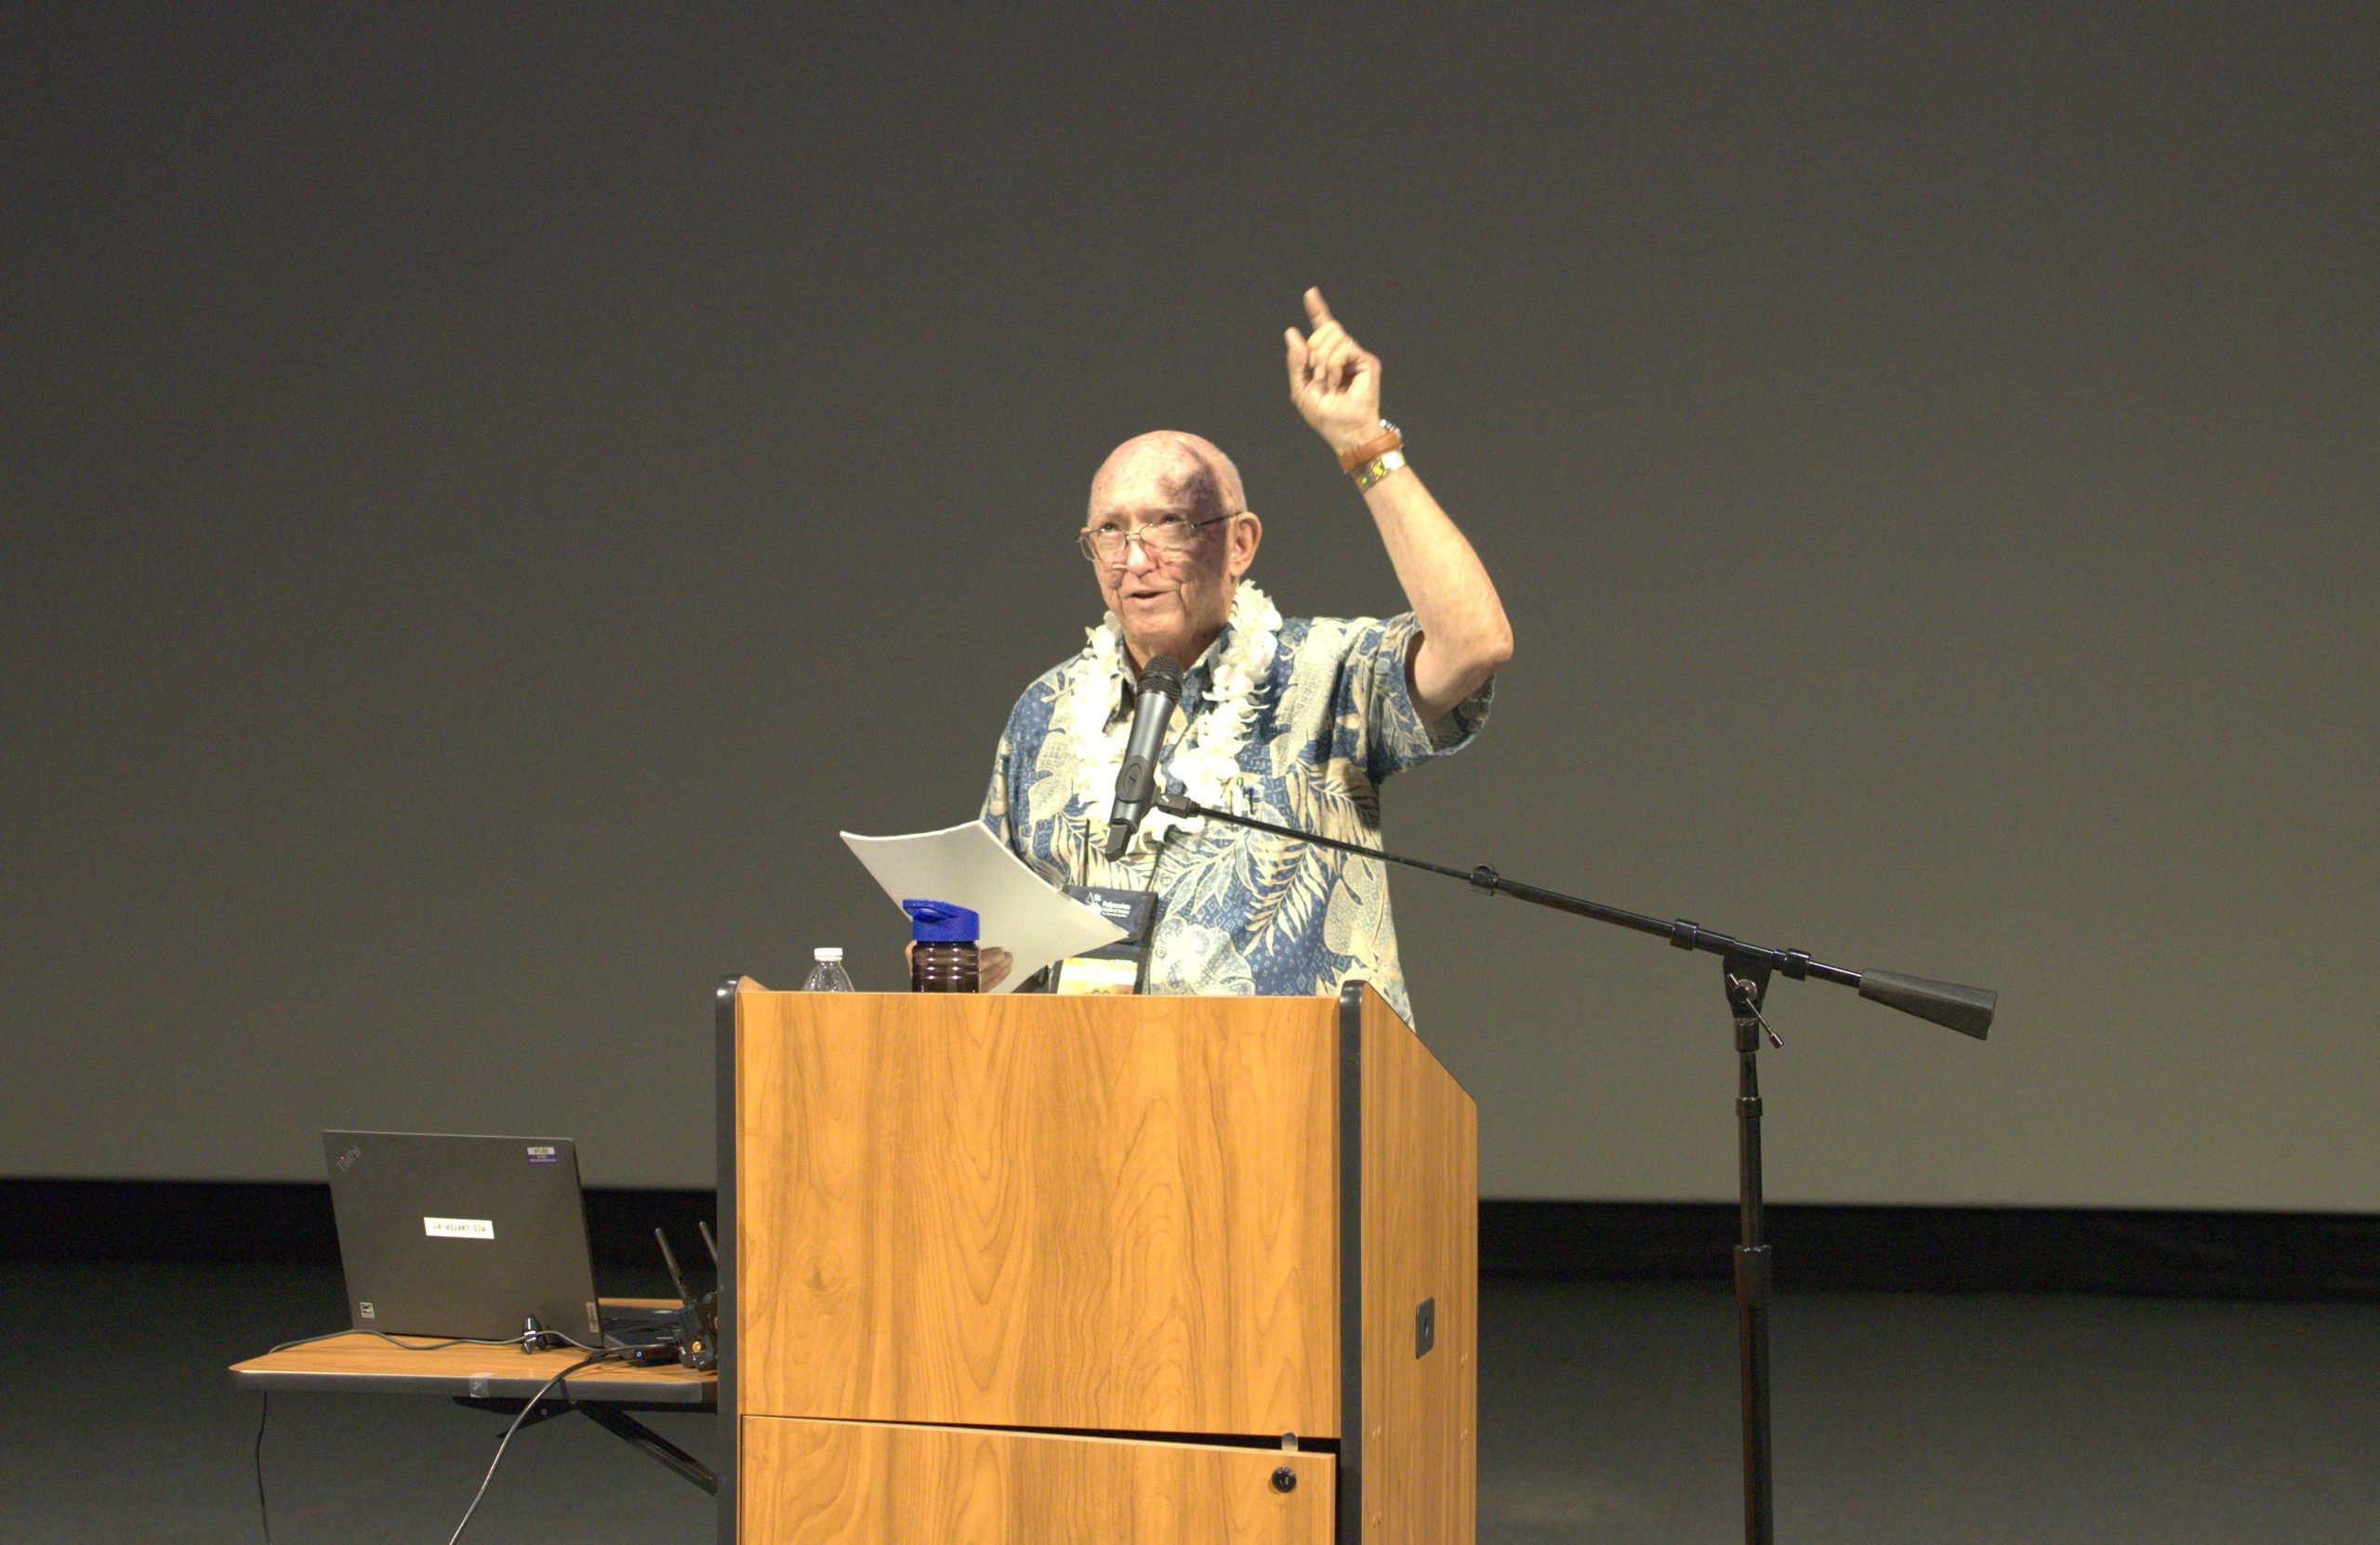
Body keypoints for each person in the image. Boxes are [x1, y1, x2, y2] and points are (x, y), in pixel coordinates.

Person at [979, 289, 1514, 1023]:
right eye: (1109, 530)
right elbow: (992, 940)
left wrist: (1366, 447)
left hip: (1294, 1108)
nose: (1134, 560)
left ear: (1239, 543)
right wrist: (962, 959)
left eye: (1167, 524)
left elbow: (1476, 641)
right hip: (1090, 1110)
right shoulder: (1044, 712)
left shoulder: (1326, 673)